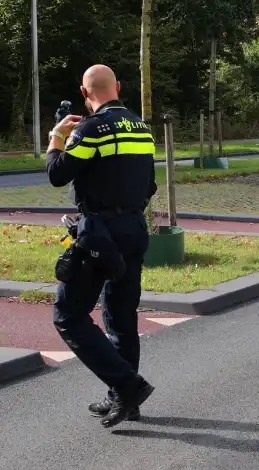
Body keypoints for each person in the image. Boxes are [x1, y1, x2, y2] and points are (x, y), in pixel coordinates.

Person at [45, 65, 157, 428]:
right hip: (135, 228)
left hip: (101, 233)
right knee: (121, 317)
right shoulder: (142, 128)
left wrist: (57, 137)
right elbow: (150, 186)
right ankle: (123, 400)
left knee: (68, 314)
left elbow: (57, 174)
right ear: (119, 87)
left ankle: (128, 386)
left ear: (84, 91)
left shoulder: (90, 129)